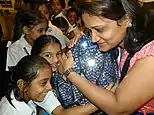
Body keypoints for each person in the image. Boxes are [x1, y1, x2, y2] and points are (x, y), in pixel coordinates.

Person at [60, 0, 154, 114]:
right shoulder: (120, 40)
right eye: (89, 30)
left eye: (99, 29)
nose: (93, 38)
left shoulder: (150, 57)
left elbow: (119, 108)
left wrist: (70, 73)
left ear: (126, 20)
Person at [31, 33, 119, 114]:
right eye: (48, 55)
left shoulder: (58, 72)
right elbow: (62, 113)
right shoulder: (38, 83)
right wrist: (102, 102)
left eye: (58, 54)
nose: (55, 60)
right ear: (36, 57)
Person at [0, 55, 97, 115]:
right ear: (22, 84)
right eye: (43, 83)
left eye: (49, 81)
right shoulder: (11, 111)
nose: (50, 87)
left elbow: (61, 113)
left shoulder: (26, 93)